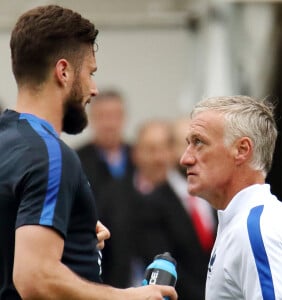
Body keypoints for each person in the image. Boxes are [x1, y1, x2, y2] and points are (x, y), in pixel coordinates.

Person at [0, 5, 177, 300]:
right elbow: (34, 277)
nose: (93, 89)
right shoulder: (51, 156)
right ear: (64, 71)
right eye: (90, 73)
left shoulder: (8, 141)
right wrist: (129, 297)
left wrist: (68, 230)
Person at [180, 95, 282, 299]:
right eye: (188, 143)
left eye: (199, 142)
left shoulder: (255, 230)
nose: (185, 158)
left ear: (242, 150)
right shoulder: (258, 221)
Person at [144, 117, 216, 300]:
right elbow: (162, 263)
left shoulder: (214, 196)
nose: (192, 153)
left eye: (199, 143)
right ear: (169, 150)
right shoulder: (154, 203)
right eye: (185, 143)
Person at [99, 119, 174, 288]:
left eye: (164, 149)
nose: (159, 158)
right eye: (151, 150)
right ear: (136, 153)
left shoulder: (187, 196)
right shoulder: (112, 196)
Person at [77, 89, 135, 217]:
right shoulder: (76, 160)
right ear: (91, 119)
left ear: (124, 118)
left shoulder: (139, 158)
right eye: (102, 116)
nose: (109, 124)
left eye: (115, 116)